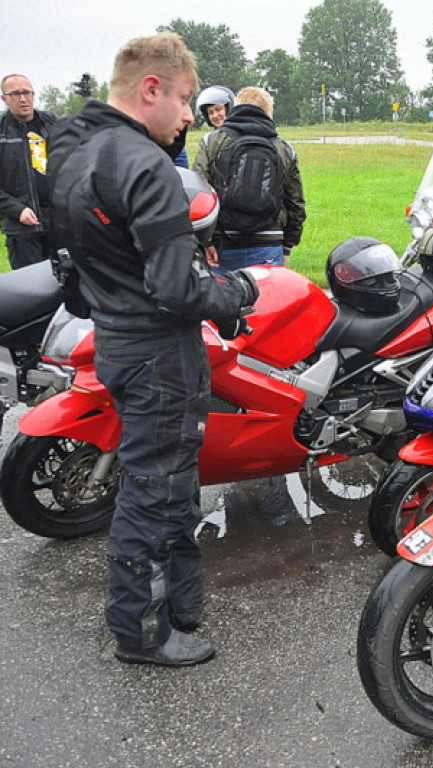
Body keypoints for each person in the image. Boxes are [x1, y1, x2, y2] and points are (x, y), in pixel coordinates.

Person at [47, 32, 259, 667]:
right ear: (150, 90)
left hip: (115, 338)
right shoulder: (146, 166)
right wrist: (238, 290)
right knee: (155, 489)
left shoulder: (79, 154)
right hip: (159, 353)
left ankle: (180, 607)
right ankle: (142, 633)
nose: (191, 114)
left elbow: (76, 274)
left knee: (166, 481)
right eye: (187, 99)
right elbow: (177, 287)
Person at [194, 86, 305, 271]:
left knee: (223, 299)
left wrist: (206, 241)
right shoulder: (285, 149)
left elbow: (200, 190)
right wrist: (287, 246)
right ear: (269, 112)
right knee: (266, 299)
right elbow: (295, 203)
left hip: (223, 243)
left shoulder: (211, 142)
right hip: (269, 242)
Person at [0, 74, 58, 269]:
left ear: (33, 94)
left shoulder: (53, 125)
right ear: (4, 99)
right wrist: (17, 210)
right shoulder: (2, 131)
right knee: (34, 290)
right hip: (22, 227)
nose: (22, 98)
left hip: (59, 223)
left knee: (70, 285)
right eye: (15, 94)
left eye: (26, 92)